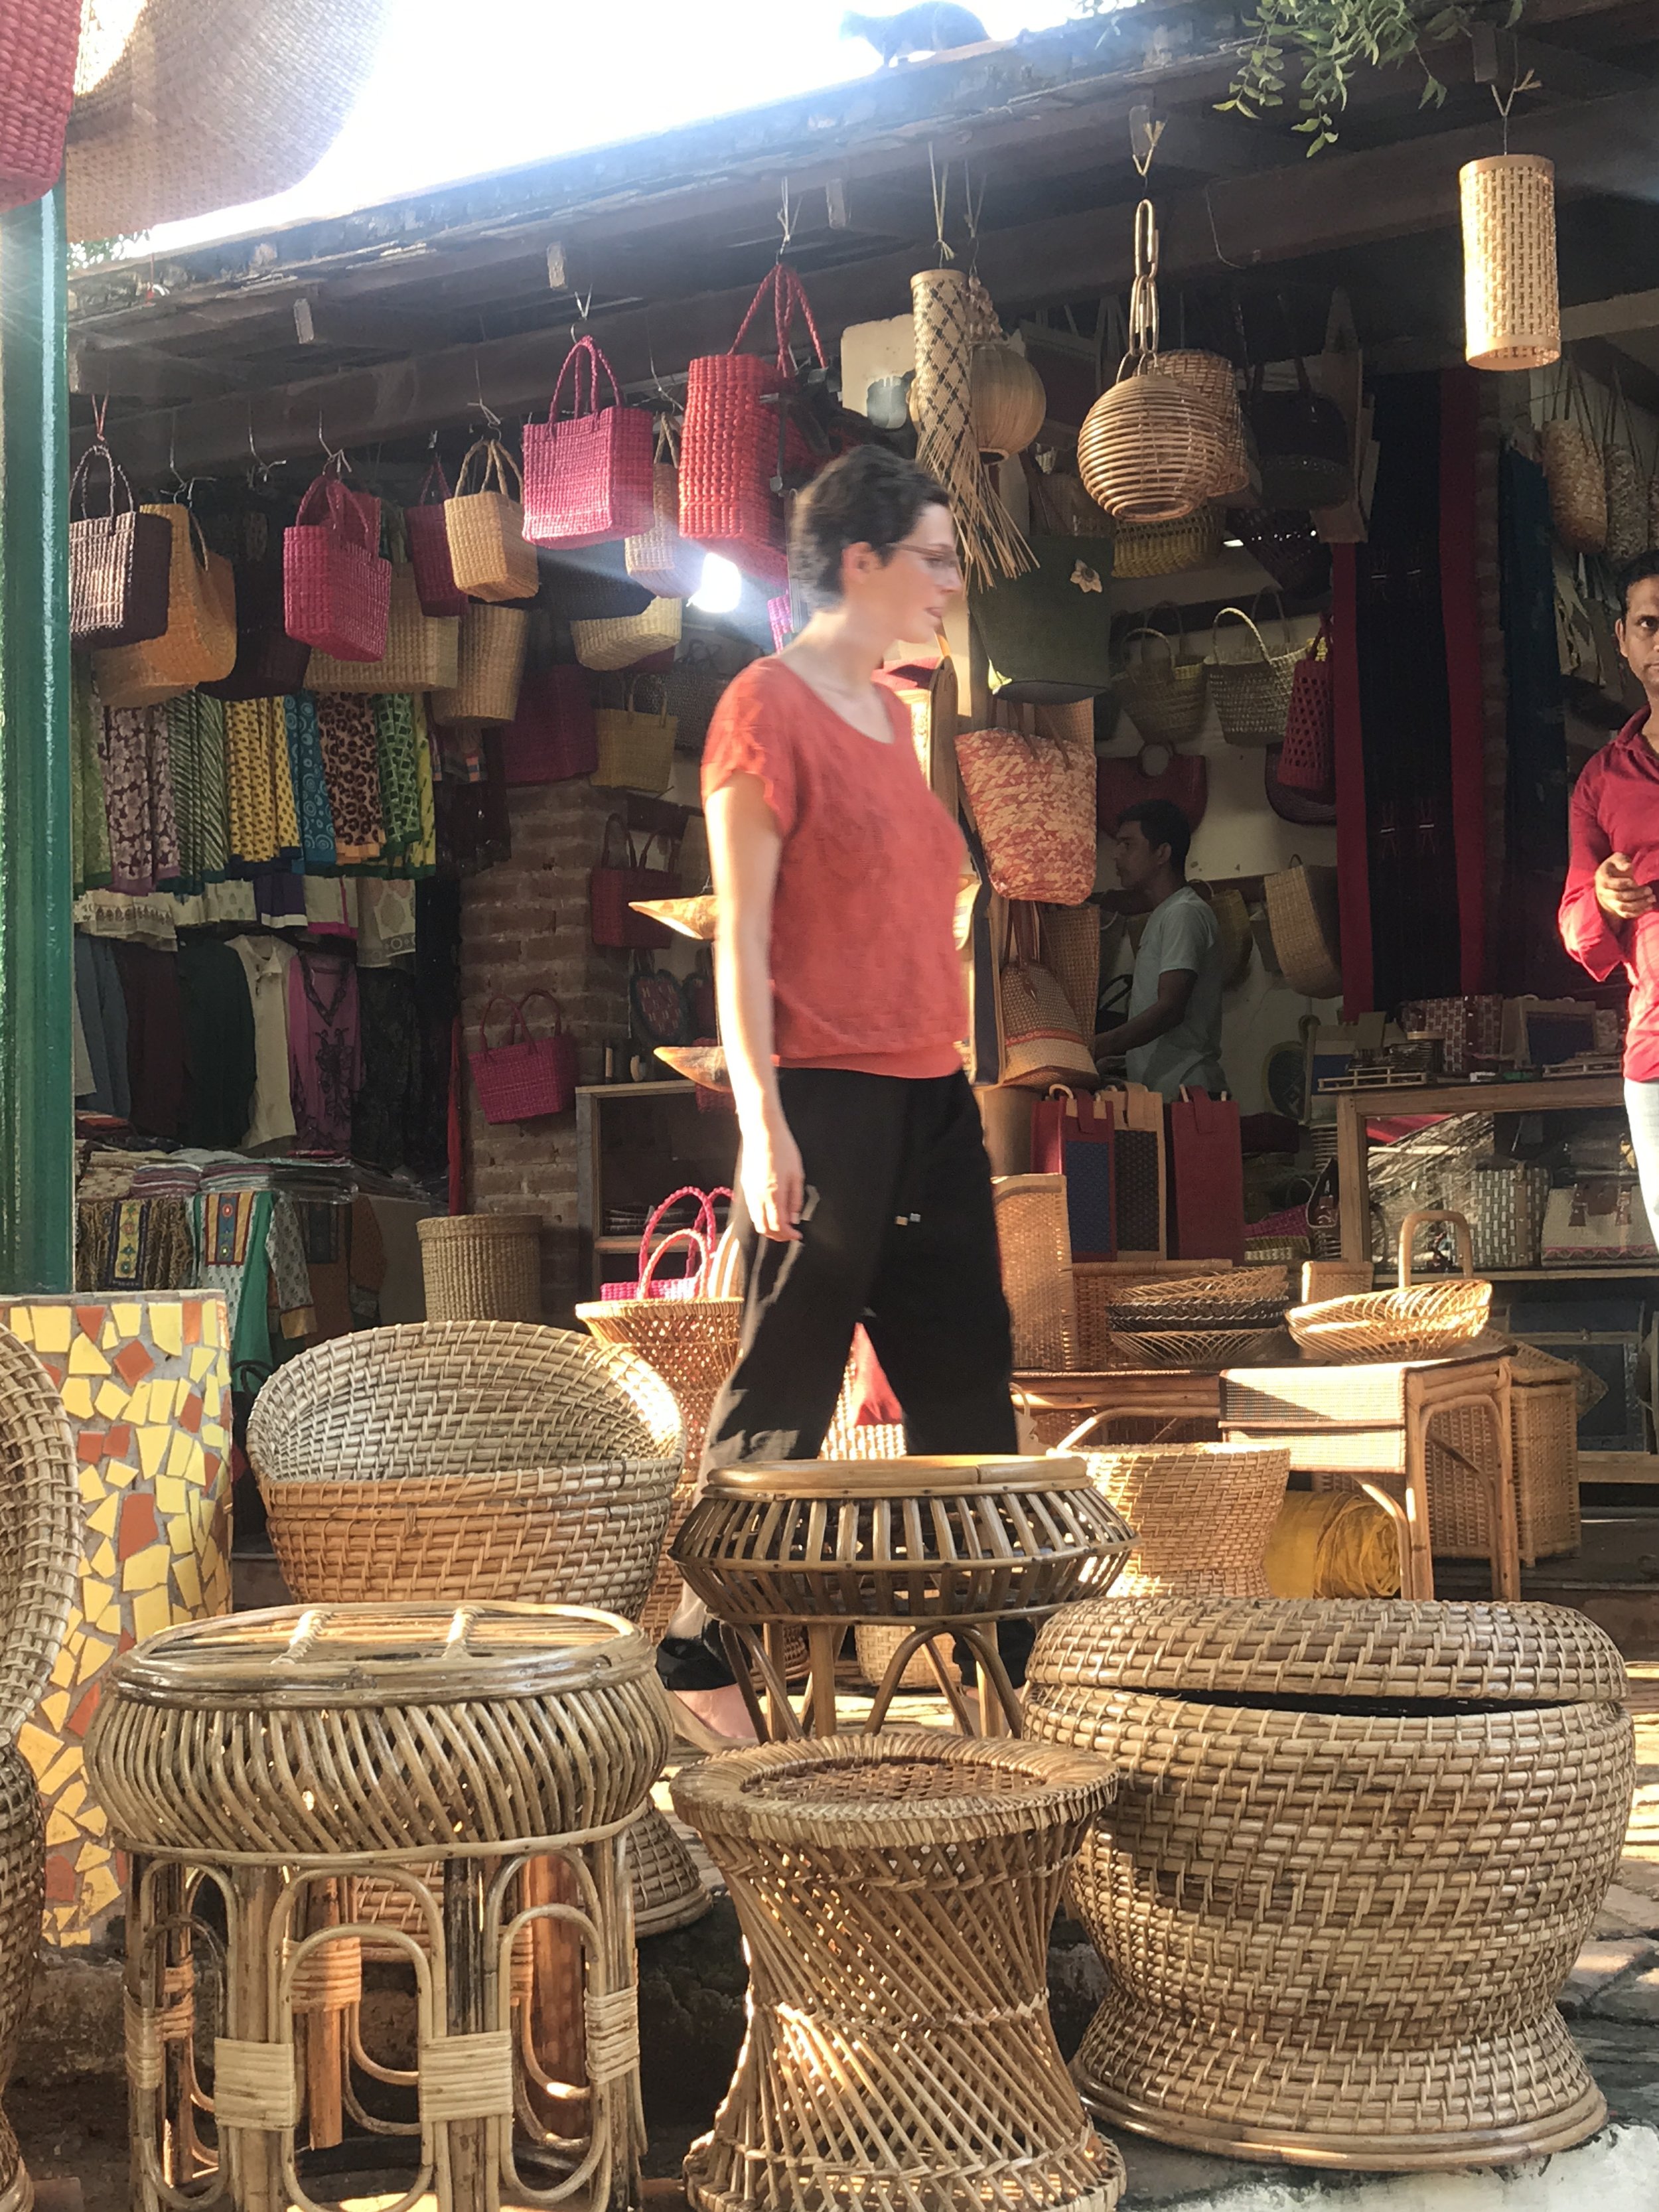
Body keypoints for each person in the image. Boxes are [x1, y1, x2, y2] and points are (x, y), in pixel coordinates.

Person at [657, 443, 1018, 1742]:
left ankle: (1009, 1665)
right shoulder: (764, 709)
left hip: (930, 1103)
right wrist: (760, 1119)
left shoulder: (900, 717)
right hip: (821, 1098)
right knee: (786, 1388)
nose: (946, 584)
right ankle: (703, 1657)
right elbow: (739, 936)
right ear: (857, 562)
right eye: (931, 558)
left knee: (970, 1378)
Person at [1559, 551, 1659, 1230]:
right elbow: (1572, 923)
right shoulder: (1600, 781)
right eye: (1650, 623)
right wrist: (1601, 894)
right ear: (1621, 640)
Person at [1093, 798, 1225, 1100]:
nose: (1116, 855)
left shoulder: (1183, 913)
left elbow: (1170, 1010)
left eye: (1128, 845)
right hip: (1170, 1092)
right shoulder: (1165, 914)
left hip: (1188, 1095)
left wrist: (1099, 1045)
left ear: (1162, 853)